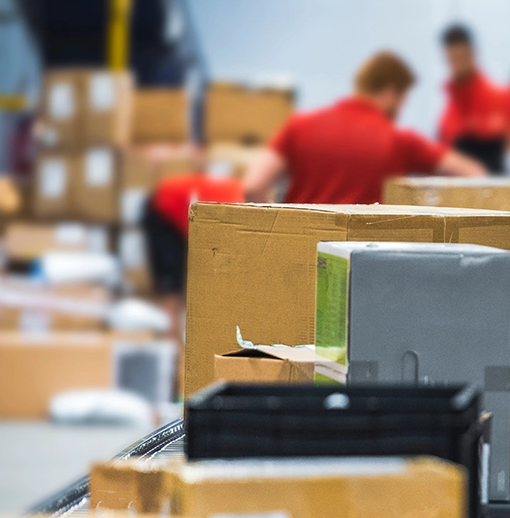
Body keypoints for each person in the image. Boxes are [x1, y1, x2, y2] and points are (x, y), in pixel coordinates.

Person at [243, 51, 483, 204]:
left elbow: (253, 186)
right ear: (390, 92)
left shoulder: (299, 125)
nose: (399, 111)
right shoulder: (399, 140)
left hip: (302, 256)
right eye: (402, 101)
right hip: (368, 268)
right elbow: (473, 174)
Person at [144, 170, 244, 341]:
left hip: (182, 208)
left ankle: (177, 341)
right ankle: (170, 341)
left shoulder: (242, 202)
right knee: (172, 282)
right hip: (165, 209)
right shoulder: (244, 211)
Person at [438, 24, 510, 174]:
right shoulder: (448, 111)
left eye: (461, 57)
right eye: (452, 59)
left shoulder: (498, 99)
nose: (456, 64)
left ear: (472, 53)